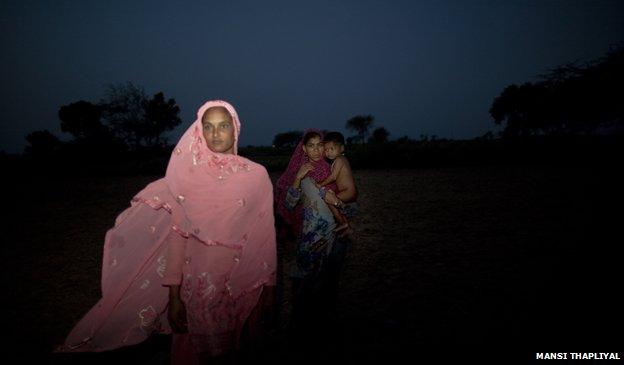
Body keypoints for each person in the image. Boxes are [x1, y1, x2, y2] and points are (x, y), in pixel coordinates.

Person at [56, 100, 277, 365]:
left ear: (235, 129)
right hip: (198, 287)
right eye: (208, 126)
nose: (216, 133)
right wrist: (174, 297)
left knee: (237, 350)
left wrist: (269, 289)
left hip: (242, 285)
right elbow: (178, 236)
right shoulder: (188, 180)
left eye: (223, 125)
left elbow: (265, 236)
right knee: (197, 351)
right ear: (199, 132)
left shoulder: (256, 176)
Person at [275, 130, 340, 335]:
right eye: (311, 145)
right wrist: (297, 179)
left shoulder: (333, 169)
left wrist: (337, 201)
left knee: (326, 282)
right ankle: (299, 325)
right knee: (303, 281)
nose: (316, 150)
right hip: (309, 236)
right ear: (304, 148)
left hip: (333, 234)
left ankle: (319, 324)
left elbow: (349, 205)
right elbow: (289, 204)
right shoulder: (301, 173)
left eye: (320, 145)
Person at [317, 131, 358, 235]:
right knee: (332, 201)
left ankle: (343, 223)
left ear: (342, 148)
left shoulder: (339, 159)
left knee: (330, 202)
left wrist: (321, 184)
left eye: (332, 149)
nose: (328, 152)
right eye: (326, 150)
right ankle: (345, 224)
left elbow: (333, 177)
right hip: (348, 191)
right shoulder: (339, 159)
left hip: (348, 191)